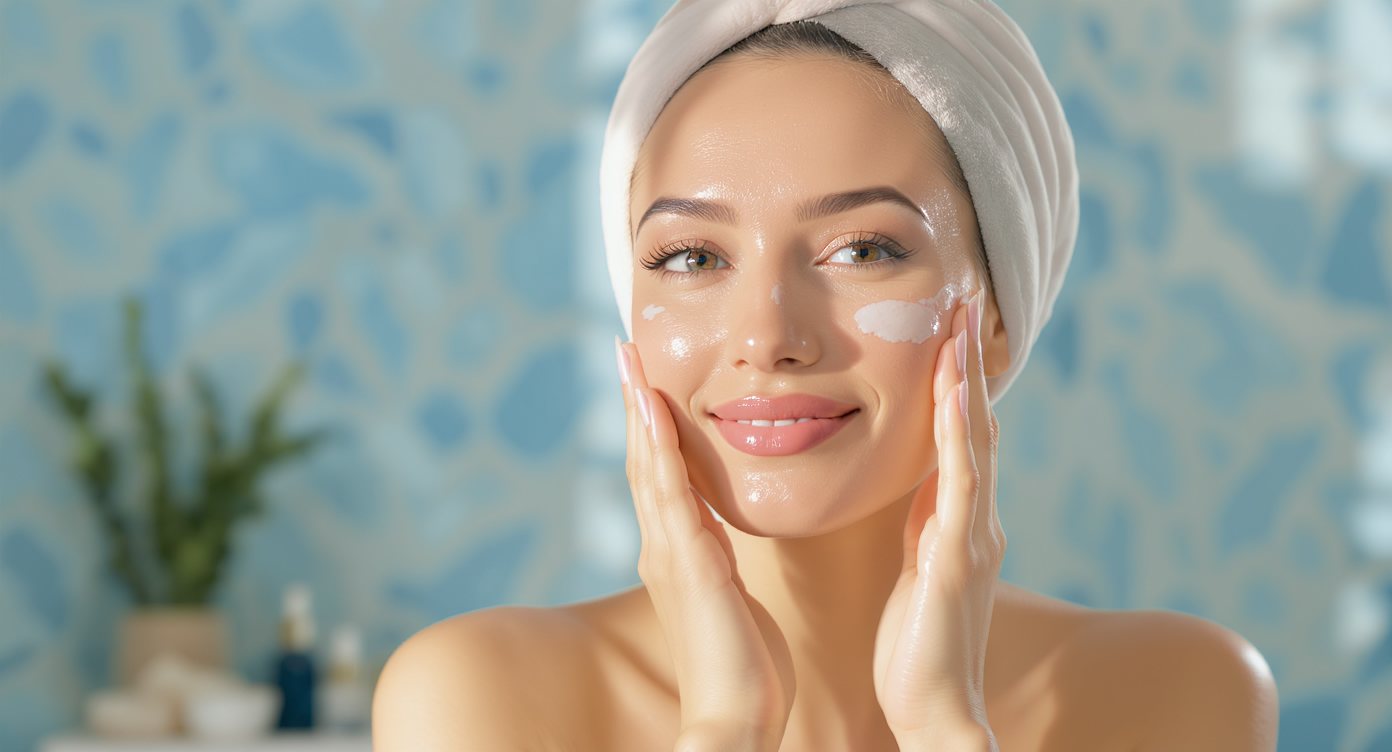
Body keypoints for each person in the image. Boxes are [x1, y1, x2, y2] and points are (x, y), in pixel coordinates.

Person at [373, 2, 1279, 750]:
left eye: (865, 248)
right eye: (691, 257)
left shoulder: (1172, 693)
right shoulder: (478, 698)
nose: (768, 336)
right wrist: (727, 726)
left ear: (997, 319)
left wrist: (943, 728)